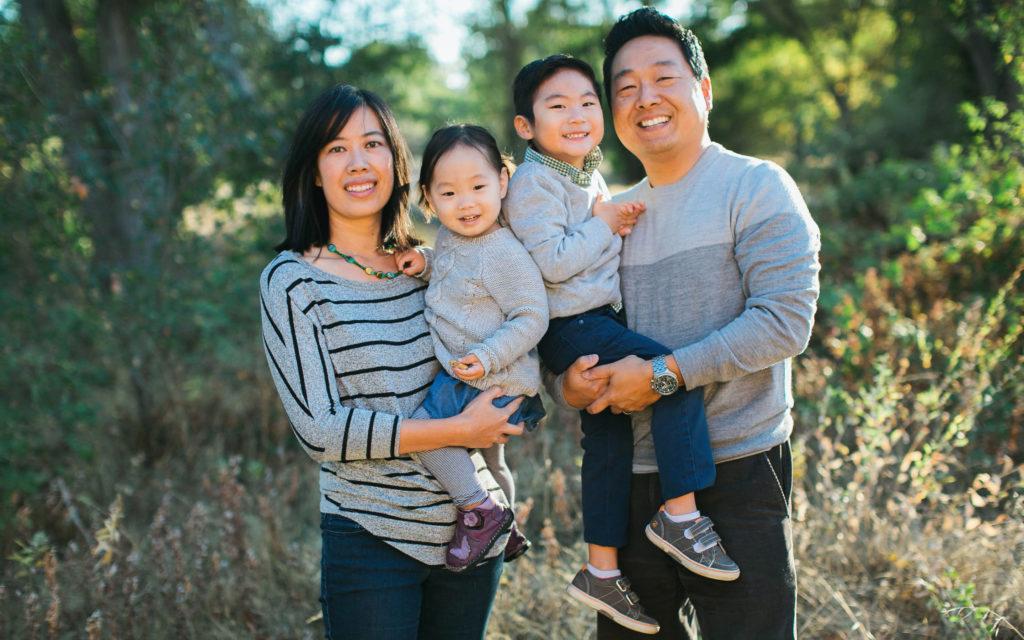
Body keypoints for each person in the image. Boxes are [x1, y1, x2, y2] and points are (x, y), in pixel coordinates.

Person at [558, 8, 822, 639]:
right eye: (625, 87)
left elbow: (785, 321)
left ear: (704, 90)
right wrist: (566, 385)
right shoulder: (607, 215)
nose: (644, 98)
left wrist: (664, 375)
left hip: (735, 470)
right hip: (627, 480)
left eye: (663, 78)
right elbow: (569, 323)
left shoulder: (755, 186)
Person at [260, 85, 525, 640]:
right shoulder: (293, 282)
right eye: (336, 148)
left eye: (372, 143)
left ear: (395, 160)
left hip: (471, 530)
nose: (357, 162)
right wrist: (456, 429)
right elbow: (319, 430)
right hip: (371, 535)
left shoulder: (432, 259)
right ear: (313, 171)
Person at [503, 54, 739, 636]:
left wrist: (604, 217)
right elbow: (551, 263)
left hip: (585, 322)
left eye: (587, 102)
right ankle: (680, 517)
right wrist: (604, 222)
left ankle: (601, 567)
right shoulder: (535, 183)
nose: (578, 114)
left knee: (606, 442)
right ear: (525, 127)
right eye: (557, 106)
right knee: (671, 376)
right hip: (576, 323)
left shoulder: (585, 174)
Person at [393, 124, 549, 572]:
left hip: (490, 379)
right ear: (429, 197)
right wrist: (423, 262)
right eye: (448, 193)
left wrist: (488, 355)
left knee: (425, 435)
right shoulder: (452, 236)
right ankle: (509, 523)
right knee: (493, 460)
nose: (466, 203)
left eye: (479, 187)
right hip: (480, 378)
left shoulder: (502, 252)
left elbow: (531, 314)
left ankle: (479, 510)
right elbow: (453, 276)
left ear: (502, 181)